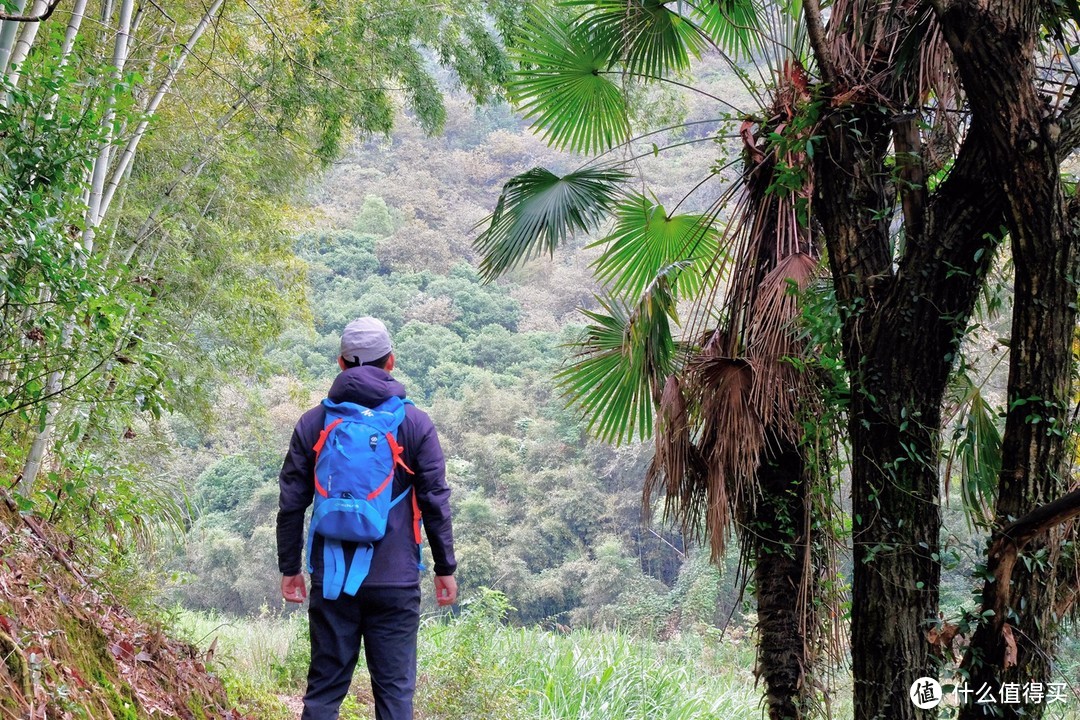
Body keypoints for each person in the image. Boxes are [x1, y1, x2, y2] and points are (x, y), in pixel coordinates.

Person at [276, 316, 458, 720]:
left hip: (333, 580)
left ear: (341, 363)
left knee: (324, 691)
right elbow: (434, 500)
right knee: (394, 696)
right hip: (395, 579)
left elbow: (291, 502)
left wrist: (290, 568)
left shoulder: (314, 422)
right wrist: (445, 567)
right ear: (390, 362)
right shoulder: (415, 424)